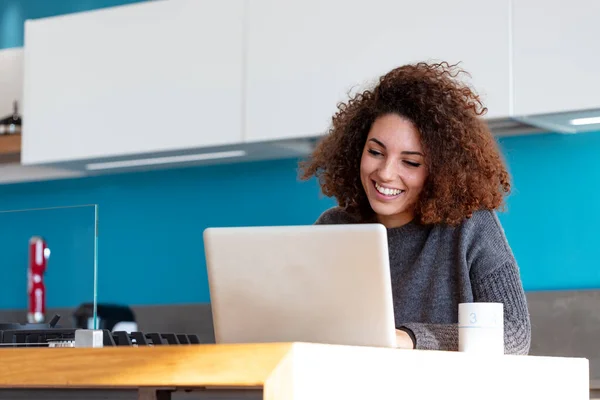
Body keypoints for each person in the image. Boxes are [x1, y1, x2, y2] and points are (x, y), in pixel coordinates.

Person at [299, 61, 531, 354]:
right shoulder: (334, 229)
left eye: (410, 162)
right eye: (375, 152)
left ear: (439, 170)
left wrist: (410, 338)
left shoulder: (471, 227)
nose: (385, 173)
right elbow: (303, 325)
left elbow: (515, 333)